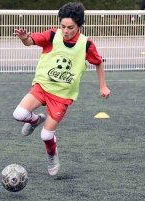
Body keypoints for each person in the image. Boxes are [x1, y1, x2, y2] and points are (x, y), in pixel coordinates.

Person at [12, 2, 110, 176]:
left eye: (70, 27)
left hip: (61, 96)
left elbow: (98, 62)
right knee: (18, 115)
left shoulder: (86, 44)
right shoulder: (52, 35)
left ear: (79, 25)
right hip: (42, 86)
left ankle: (52, 156)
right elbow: (30, 41)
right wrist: (24, 38)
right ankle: (35, 120)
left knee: (46, 136)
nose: (65, 30)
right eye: (63, 26)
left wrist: (102, 85)